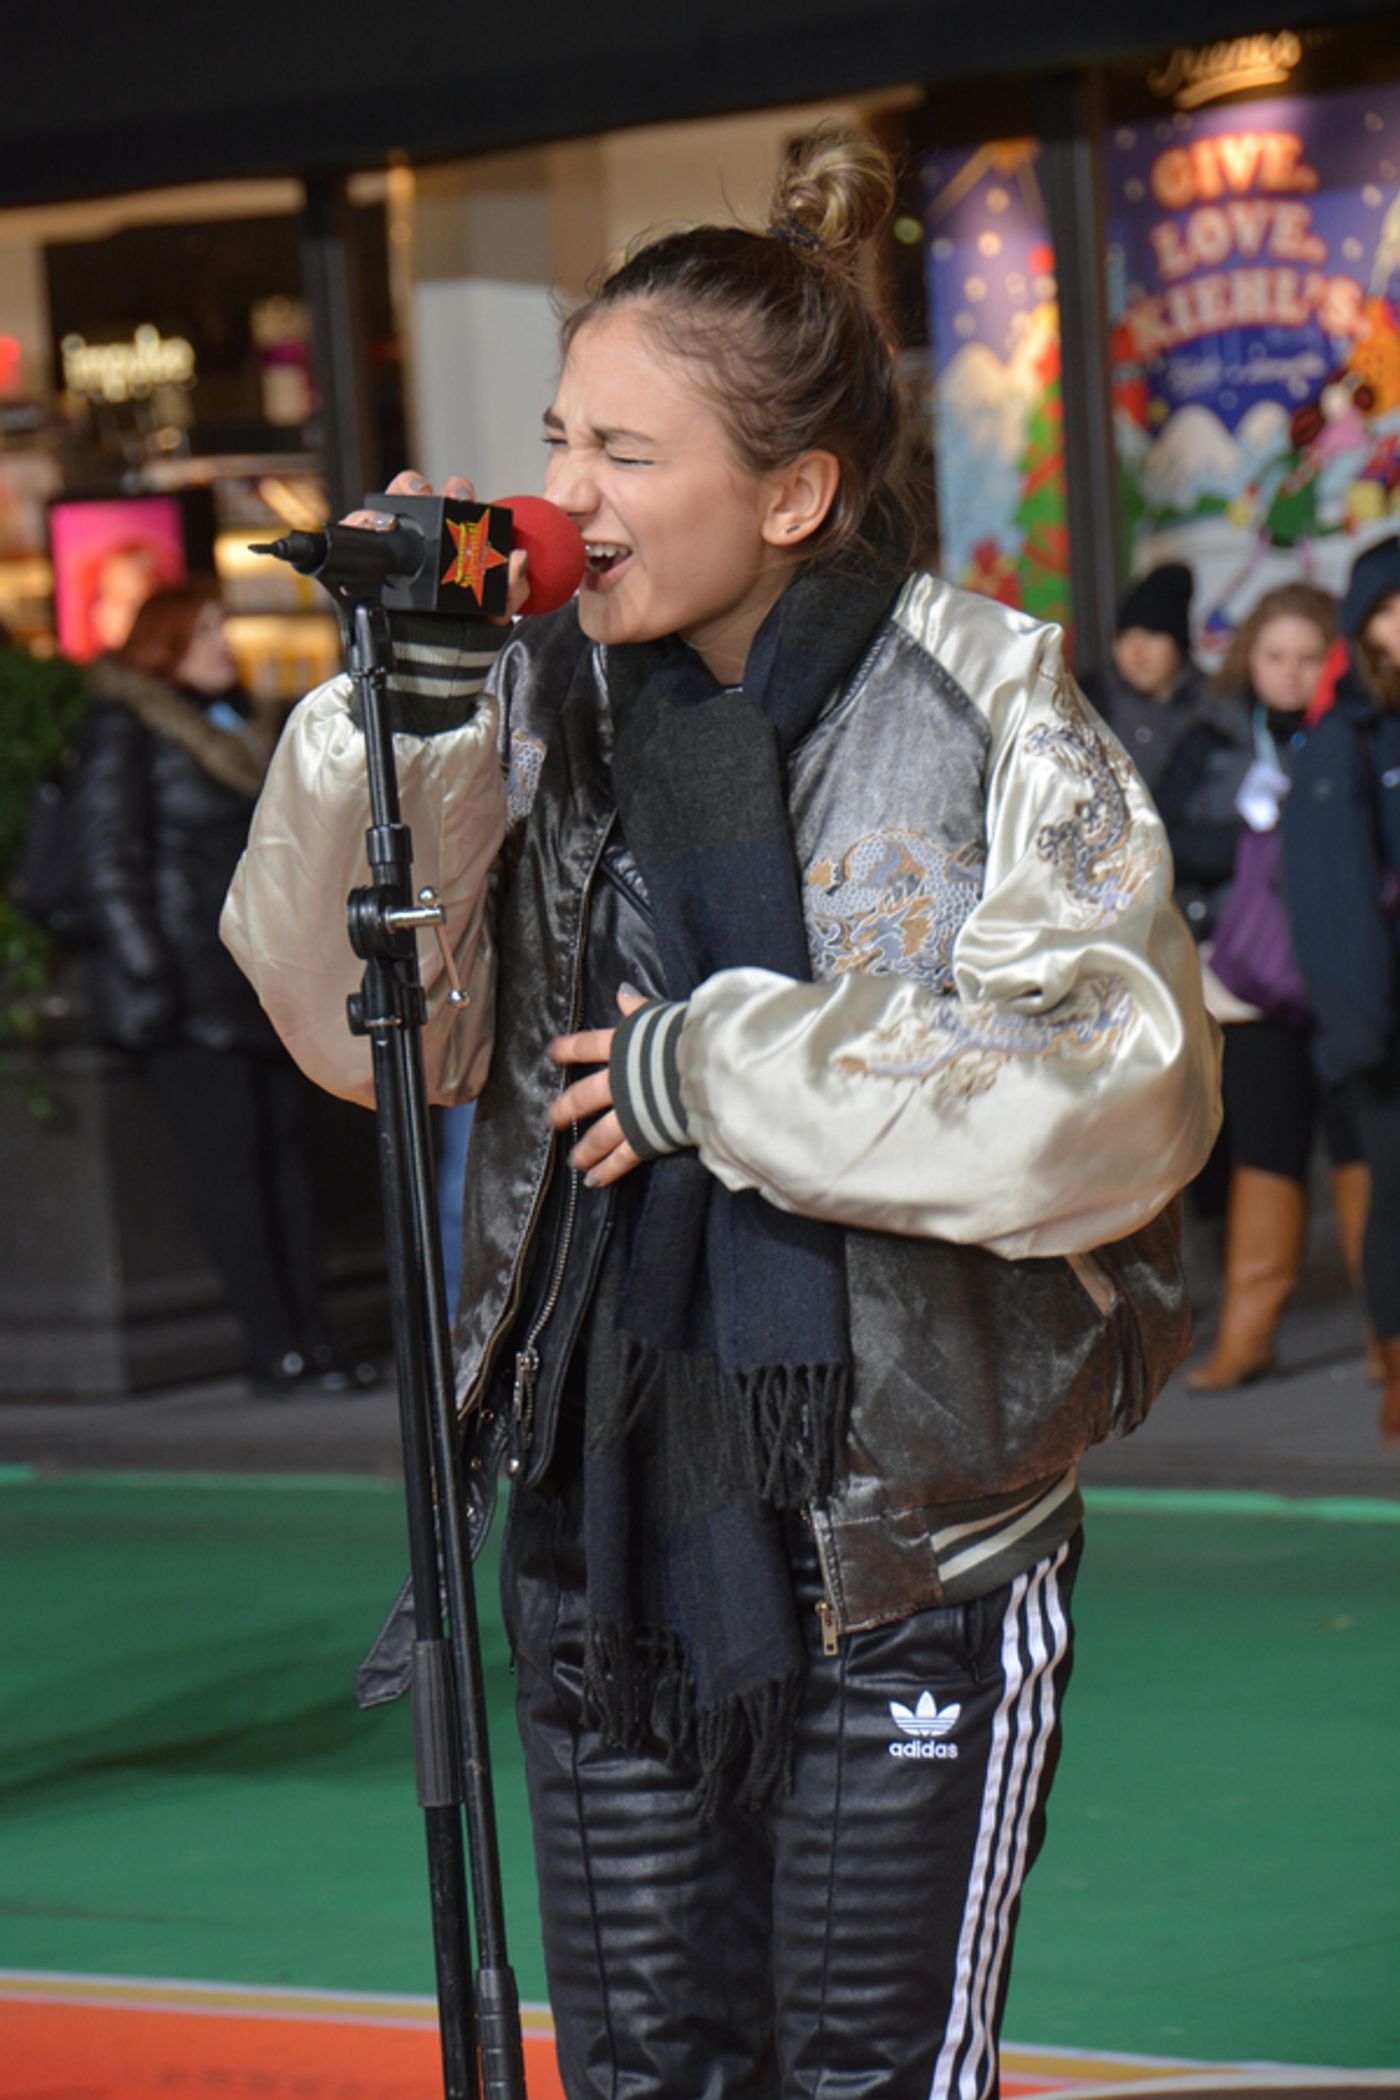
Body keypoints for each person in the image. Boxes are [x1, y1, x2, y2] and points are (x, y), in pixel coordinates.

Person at [224, 130, 1219, 2100]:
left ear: (793, 493)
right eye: (555, 437)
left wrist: (719, 1068)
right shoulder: (518, 712)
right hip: (604, 1538)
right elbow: (359, 1030)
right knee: (640, 2076)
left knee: (860, 2077)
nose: (564, 498)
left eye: (624, 454)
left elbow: (1114, 1094)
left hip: (907, 1557)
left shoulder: (982, 699)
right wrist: (395, 728)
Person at [72, 580, 372, 1398]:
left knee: (284, 1165)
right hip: (189, 995)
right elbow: (108, 862)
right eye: (205, 631)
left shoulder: (227, 724)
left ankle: (313, 1344)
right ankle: (275, 1348)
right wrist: (155, 980)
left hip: (249, 986)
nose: (223, 645)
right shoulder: (127, 726)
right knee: (233, 1172)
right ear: (163, 642)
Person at [1154, 584, 1373, 1390]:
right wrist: (1241, 832)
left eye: (1309, 656)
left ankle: (1387, 1339)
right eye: (1275, 656)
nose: (1290, 673)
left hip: (1347, 972)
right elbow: (1159, 837)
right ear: (1250, 656)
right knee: (1267, 1147)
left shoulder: (1361, 731)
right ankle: (1247, 1335)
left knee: (1366, 1150)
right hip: (1248, 980)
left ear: (1336, 658)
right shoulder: (1211, 739)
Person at [1283, 536, 1400, 1440]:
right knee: (1395, 1196)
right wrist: (1360, 1032)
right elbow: (1332, 902)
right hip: (1386, 1028)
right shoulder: (1345, 739)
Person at [1078, 562, 1207, 796]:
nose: (1136, 651)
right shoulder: (1085, 703)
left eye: (1151, 635)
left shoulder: (1217, 709)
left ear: (1178, 644)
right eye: (1125, 636)